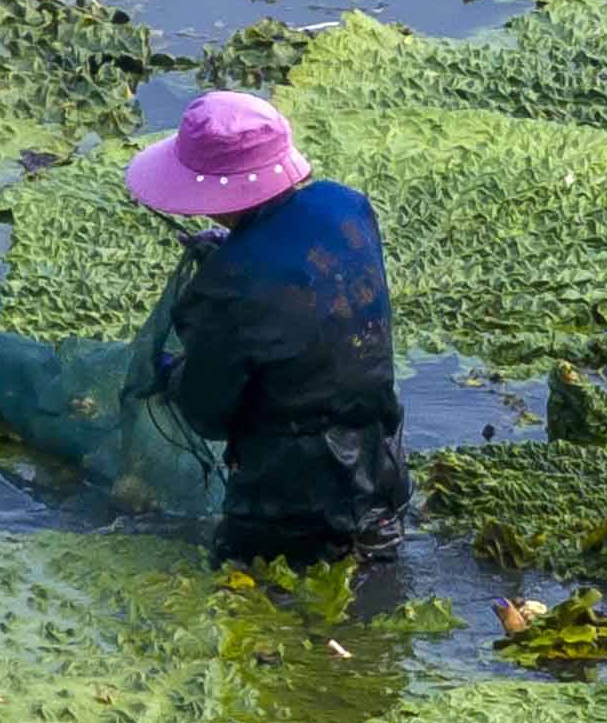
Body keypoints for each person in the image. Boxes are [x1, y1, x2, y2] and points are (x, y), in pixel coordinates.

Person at [129, 89, 408, 563]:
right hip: (379, 464)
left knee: (259, 602)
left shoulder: (229, 282)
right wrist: (236, 246)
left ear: (209, 189)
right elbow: (309, 286)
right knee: (370, 578)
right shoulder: (347, 205)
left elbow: (208, 415)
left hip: (288, 498)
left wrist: (173, 374)